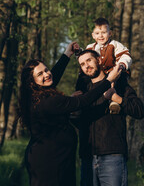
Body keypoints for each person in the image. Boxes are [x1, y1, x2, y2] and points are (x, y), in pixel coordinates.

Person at [18, 42, 120, 186]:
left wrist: (67, 54)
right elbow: (83, 101)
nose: (47, 74)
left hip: (55, 157)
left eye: (46, 70)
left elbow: (53, 77)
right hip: (50, 161)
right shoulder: (47, 101)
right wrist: (108, 81)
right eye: (40, 74)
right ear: (32, 82)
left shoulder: (37, 95)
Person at [74, 49, 144, 186]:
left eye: (89, 60)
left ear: (99, 60)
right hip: (87, 157)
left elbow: (139, 111)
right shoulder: (83, 90)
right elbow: (80, 122)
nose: (86, 65)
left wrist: (117, 98)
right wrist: (73, 112)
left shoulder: (119, 83)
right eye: (82, 64)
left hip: (112, 155)